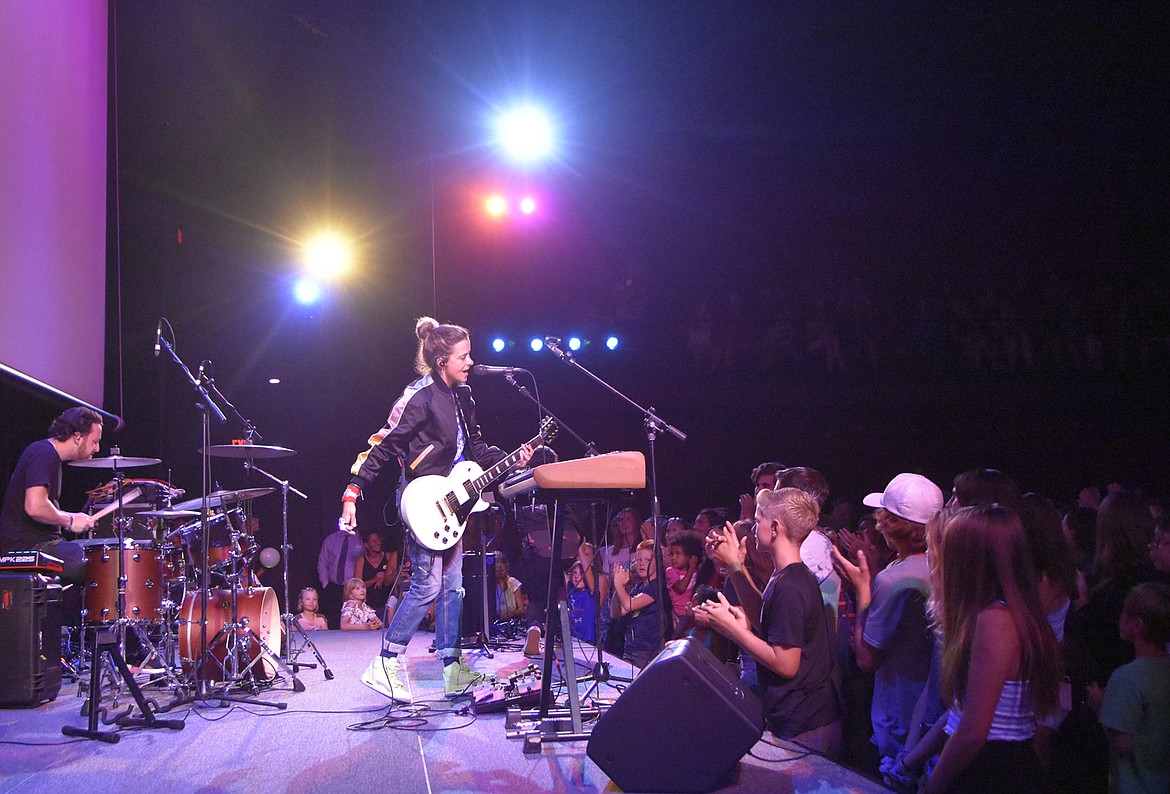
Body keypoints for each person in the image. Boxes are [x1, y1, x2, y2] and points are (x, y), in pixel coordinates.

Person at [341, 316, 532, 702]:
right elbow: (385, 446)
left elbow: (475, 451)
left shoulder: (464, 396)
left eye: (470, 354)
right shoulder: (419, 397)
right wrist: (352, 491)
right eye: (463, 356)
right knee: (427, 584)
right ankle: (385, 663)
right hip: (422, 498)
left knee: (453, 588)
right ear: (442, 359)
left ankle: (452, 670)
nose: (470, 362)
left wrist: (513, 459)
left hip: (454, 500)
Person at [922, 505, 1062, 793]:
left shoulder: (996, 620)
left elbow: (974, 731)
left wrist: (931, 788)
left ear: (969, 559)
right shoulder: (1007, 613)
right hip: (994, 765)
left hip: (991, 771)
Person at [695, 488, 843, 757]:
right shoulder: (786, 575)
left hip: (806, 721)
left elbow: (786, 664)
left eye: (758, 518)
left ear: (774, 528)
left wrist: (733, 629)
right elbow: (766, 620)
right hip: (798, 715)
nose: (753, 527)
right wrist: (735, 568)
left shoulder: (791, 585)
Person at [833, 473, 941, 763]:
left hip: (900, 715)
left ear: (888, 523)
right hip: (933, 711)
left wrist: (863, 589)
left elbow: (867, 659)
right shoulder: (942, 567)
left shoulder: (892, 579)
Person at [0, 407, 102, 617]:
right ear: (77, 437)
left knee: (100, 557)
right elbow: (35, 507)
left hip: (40, 544)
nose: (97, 448)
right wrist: (70, 519)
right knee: (102, 564)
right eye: (94, 441)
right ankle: (130, 646)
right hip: (28, 548)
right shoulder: (44, 453)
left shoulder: (47, 454)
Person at [1088, 582, 1170, 794]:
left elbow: (1122, 744)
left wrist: (1099, 707)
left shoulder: (1125, 678)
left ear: (1137, 626)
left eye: (1125, 611)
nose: (1120, 616)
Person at [611, 539, 663, 669]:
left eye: (647, 560)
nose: (642, 564)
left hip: (646, 652)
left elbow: (629, 605)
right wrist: (618, 587)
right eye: (639, 560)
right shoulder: (639, 587)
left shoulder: (656, 586)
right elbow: (617, 612)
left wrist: (618, 585)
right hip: (631, 647)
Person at [316, 517, 366, 624]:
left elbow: (364, 557)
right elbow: (322, 562)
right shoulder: (330, 540)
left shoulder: (359, 540)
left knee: (350, 618)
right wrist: (325, 583)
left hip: (352, 587)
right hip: (333, 585)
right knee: (333, 618)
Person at [354, 529, 398, 621]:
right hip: (368, 607)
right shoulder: (361, 561)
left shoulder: (389, 556)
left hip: (388, 605)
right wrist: (374, 579)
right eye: (374, 541)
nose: (378, 543)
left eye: (379, 539)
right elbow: (355, 586)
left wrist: (386, 577)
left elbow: (397, 576)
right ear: (366, 545)